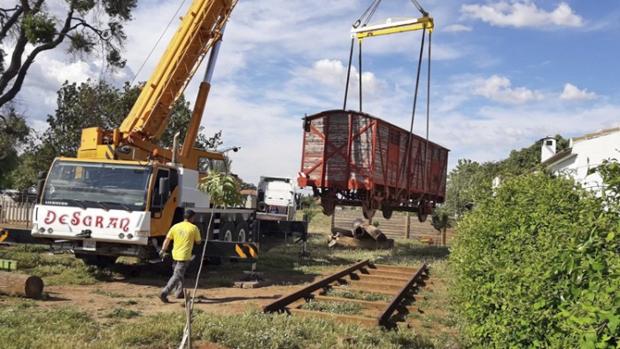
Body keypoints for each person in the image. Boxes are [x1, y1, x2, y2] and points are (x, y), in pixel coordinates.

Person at [159, 209, 202, 303]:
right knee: (177, 275)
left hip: (175, 255)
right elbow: (198, 241)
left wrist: (163, 250)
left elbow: (167, 239)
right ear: (192, 218)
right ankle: (165, 292)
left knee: (179, 275)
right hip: (184, 256)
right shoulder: (193, 228)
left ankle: (179, 292)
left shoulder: (175, 226)